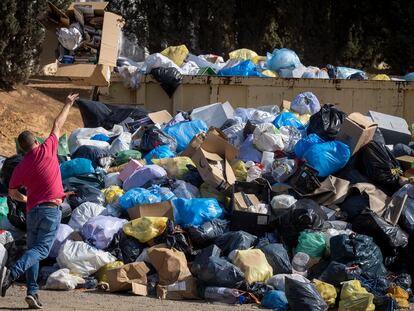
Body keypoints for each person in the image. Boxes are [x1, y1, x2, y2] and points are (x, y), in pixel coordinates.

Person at [0, 93, 79, 309]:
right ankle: (11, 274)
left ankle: (32, 293)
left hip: (32, 211)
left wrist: (25, 198)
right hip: (50, 210)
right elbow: (58, 123)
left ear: (22, 148)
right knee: (42, 250)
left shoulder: (21, 167)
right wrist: (68, 103)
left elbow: (11, 191)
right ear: (36, 141)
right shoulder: (48, 148)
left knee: (33, 250)